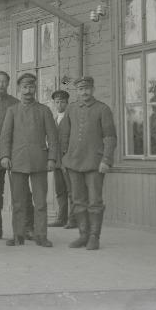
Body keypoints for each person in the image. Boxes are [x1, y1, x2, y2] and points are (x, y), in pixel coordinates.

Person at [0, 73, 59, 247]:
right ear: (19, 89)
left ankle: (41, 235)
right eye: (24, 87)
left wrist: (52, 158)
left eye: (31, 87)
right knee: (18, 202)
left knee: (40, 202)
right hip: (17, 161)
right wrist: (5, 156)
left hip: (40, 161)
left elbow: (53, 138)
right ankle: (18, 235)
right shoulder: (12, 111)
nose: (28, 91)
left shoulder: (44, 110)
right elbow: (5, 137)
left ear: (35, 89)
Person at [58, 76, 117, 251]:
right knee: (77, 200)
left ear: (93, 89)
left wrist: (106, 159)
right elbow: (64, 135)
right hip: (73, 162)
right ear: (77, 91)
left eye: (87, 89)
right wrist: (64, 158)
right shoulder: (71, 109)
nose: (84, 92)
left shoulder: (102, 109)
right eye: (81, 89)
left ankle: (94, 237)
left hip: (95, 163)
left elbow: (110, 137)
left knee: (95, 201)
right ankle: (83, 235)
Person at [0, 71, 34, 241]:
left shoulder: (16, 103)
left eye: (4, 82)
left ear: (8, 84)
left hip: (14, 154)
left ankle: (27, 228)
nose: (1, 85)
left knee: (22, 192)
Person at [48, 90, 76, 229]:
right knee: (60, 191)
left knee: (72, 191)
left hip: (68, 162)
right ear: (54, 103)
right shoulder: (54, 120)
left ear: (67, 103)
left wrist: (68, 160)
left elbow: (73, 142)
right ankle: (61, 218)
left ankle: (73, 219)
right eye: (57, 102)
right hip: (57, 162)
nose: (60, 105)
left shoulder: (71, 119)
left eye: (62, 102)